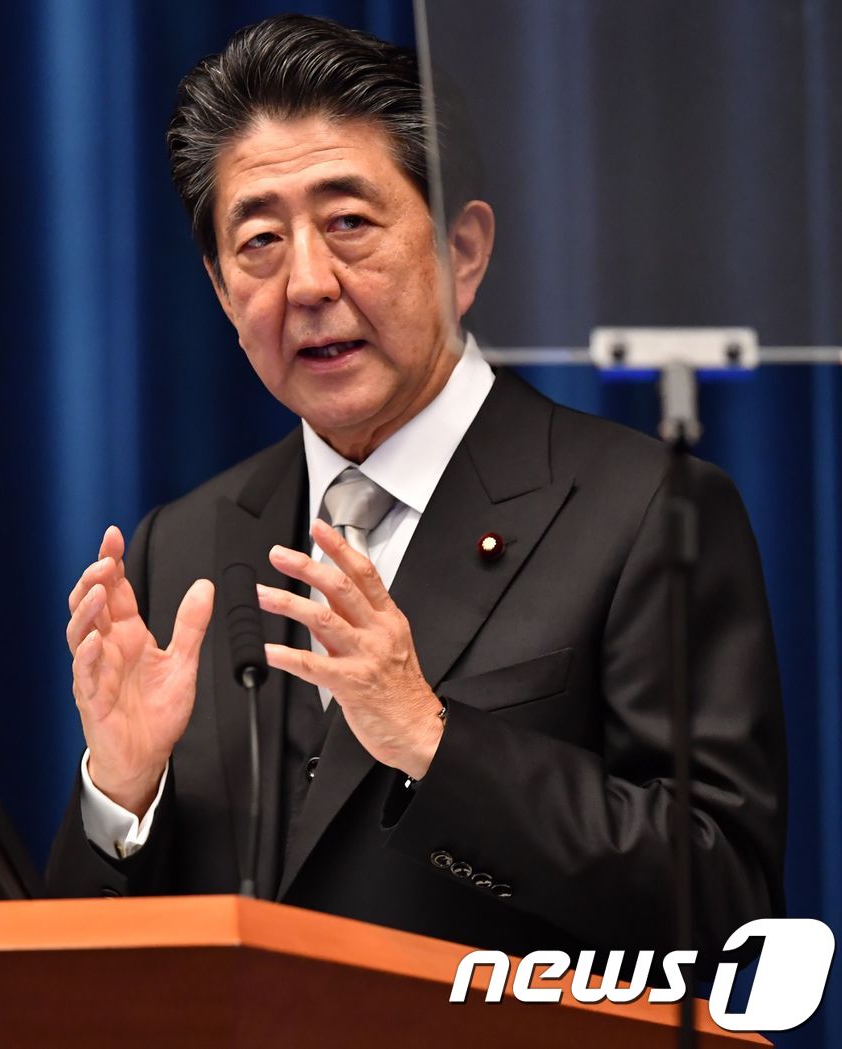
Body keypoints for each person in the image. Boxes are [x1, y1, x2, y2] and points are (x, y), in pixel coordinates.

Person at [46, 14, 786, 964]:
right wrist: (122, 790)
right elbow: (76, 971)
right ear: (224, 294)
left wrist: (435, 741)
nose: (307, 281)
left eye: (349, 223)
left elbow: (725, 899)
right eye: (260, 241)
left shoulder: (644, 512)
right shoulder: (181, 547)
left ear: (462, 252)